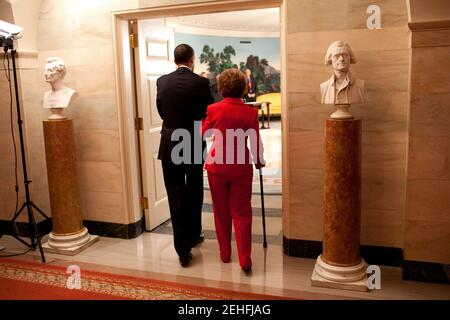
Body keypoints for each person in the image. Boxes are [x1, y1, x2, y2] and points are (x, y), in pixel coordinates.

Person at [201, 69, 265, 273]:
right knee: (242, 213)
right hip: (240, 167)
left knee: (221, 212)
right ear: (243, 88)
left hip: (217, 166)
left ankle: (225, 254)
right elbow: (255, 140)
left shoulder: (213, 109)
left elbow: (203, 133)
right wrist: (259, 161)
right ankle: (245, 260)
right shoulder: (250, 112)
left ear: (222, 87)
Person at [156, 44, 214, 267]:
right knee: (194, 190)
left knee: (175, 194)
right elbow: (209, 111)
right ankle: (193, 235)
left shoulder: (162, 81)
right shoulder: (200, 83)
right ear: (192, 60)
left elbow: (161, 110)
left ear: (174, 60)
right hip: (191, 140)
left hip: (169, 142)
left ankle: (182, 249)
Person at [320, 40, 364, 105]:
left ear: (350, 58)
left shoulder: (360, 85)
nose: (341, 59)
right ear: (330, 59)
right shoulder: (324, 87)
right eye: (336, 56)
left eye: (345, 55)